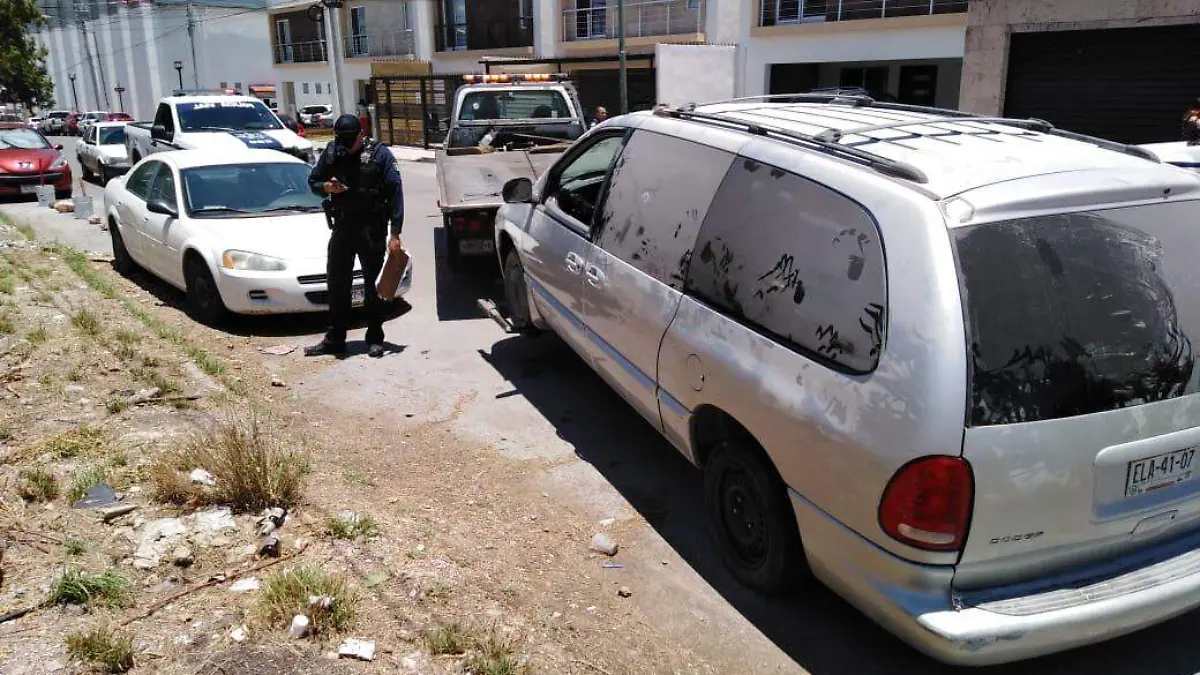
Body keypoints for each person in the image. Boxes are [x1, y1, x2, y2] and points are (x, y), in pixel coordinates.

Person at [305, 114, 405, 359]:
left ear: (361, 134)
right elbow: (314, 182)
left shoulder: (380, 155)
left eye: (352, 139)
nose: (347, 145)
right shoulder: (332, 152)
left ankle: (375, 338)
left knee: (373, 287)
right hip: (342, 227)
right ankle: (335, 339)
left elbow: (395, 194)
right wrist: (327, 187)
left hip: (371, 228)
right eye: (343, 140)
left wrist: (395, 233)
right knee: (337, 285)